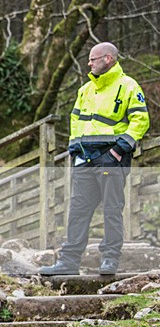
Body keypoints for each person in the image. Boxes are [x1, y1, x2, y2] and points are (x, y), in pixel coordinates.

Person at [40, 42, 150, 276]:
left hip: (112, 158)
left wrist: (119, 150)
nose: (89, 63)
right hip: (84, 160)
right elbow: (76, 121)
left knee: (112, 209)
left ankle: (110, 259)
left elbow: (140, 120)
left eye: (93, 59)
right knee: (78, 211)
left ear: (108, 59)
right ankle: (69, 261)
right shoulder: (85, 89)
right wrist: (74, 151)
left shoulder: (128, 86)